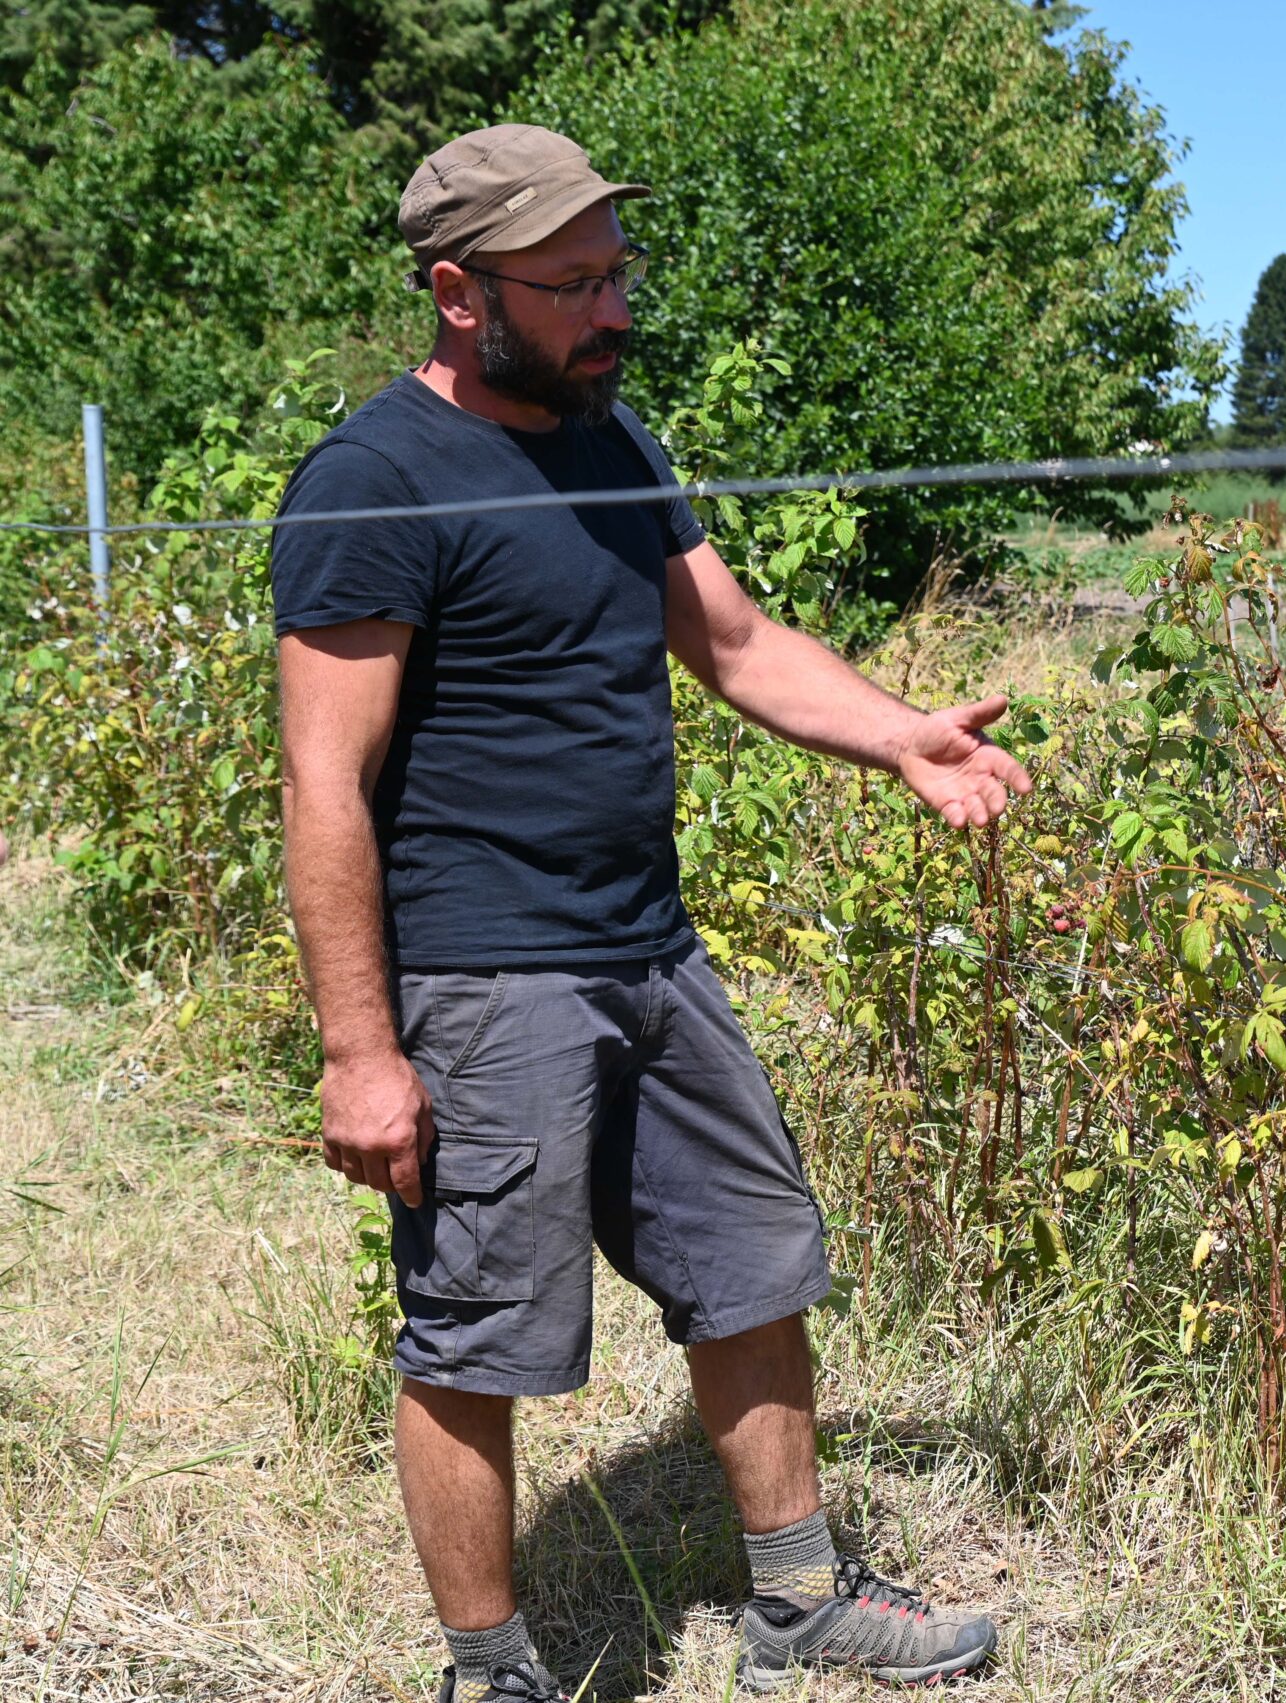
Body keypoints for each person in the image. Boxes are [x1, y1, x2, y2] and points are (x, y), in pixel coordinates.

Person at [271, 123, 1030, 1701]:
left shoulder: (612, 442)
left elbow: (737, 642)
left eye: (620, 273)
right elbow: (325, 785)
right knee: (480, 1339)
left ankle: (802, 1606)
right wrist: (361, 1050)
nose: (616, 311)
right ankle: (492, 1673)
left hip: (651, 953)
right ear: (458, 293)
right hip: (488, 983)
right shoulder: (373, 482)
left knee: (755, 1263)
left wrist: (905, 735)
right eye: (576, 284)